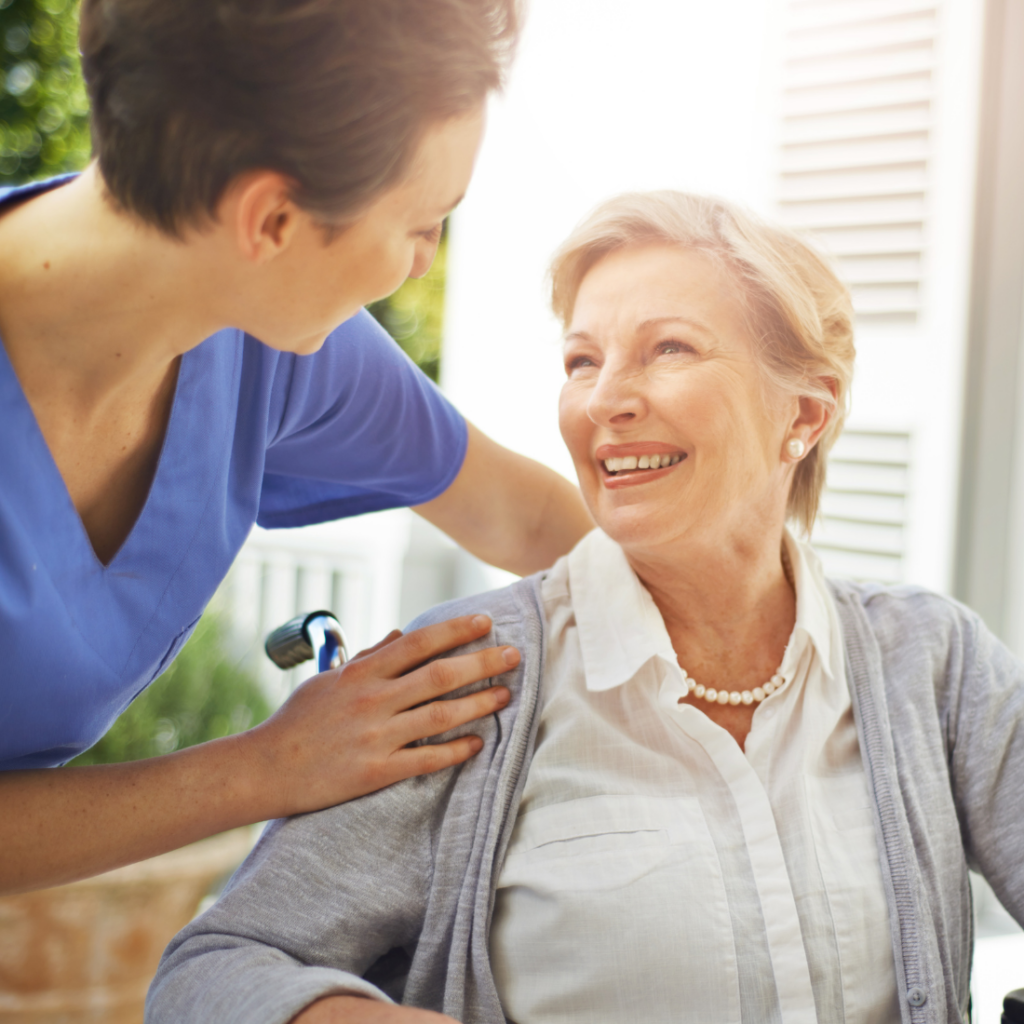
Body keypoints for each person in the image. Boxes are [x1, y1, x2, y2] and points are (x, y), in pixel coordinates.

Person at [146, 191, 1024, 1024]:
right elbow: (214, 971)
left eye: (669, 349)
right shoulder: (469, 677)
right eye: (582, 361)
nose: (605, 400)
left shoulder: (933, 661)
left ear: (803, 413)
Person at [0, 0, 596, 896]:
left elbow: (529, 516)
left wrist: (794, 655)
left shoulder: (267, 345)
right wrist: (269, 767)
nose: (423, 263)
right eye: (422, 224)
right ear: (272, 221)